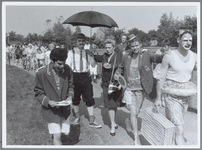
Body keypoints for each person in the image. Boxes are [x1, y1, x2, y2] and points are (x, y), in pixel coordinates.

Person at [115, 37, 164, 145]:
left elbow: (157, 58)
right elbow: (121, 66)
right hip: (128, 88)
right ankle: (136, 138)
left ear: (140, 44)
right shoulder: (126, 55)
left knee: (136, 112)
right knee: (133, 111)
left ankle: (128, 120)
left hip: (141, 89)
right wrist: (118, 72)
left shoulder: (146, 54)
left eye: (137, 45)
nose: (135, 48)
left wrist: (164, 54)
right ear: (130, 46)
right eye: (133, 46)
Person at [154, 27, 197, 145]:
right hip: (171, 96)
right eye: (185, 40)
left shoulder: (194, 56)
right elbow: (161, 78)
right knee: (179, 128)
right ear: (178, 40)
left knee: (178, 126)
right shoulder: (169, 56)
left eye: (190, 40)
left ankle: (172, 143)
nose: (188, 43)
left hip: (185, 96)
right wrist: (158, 98)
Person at [34, 48, 74, 145]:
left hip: (64, 109)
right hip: (51, 110)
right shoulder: (41, 73)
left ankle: (57, 136)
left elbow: (71, 86)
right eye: (59, 64)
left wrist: (70, 96)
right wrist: (48, 101)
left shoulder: (68, 69)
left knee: (66, 132)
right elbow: (38, 92)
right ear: (52, 61)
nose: (62, 66)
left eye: (64, 62)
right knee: (57, 135)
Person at [65, 33, 102, 128]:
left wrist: (93, 54)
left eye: (83, 41)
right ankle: (77, 117)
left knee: (89, 98)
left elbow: (93, 64)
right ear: (76, 42)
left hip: (85, 76)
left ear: (85, 42)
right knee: (75, 99)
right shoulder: (71, 52)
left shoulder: (87, 52)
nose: (81, 43)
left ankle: (91, 120)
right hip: (75, 76)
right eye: (79, 41)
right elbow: (68, 66)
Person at [91, 39, 123, 136]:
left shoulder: (118, 55)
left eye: (109, 47)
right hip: (106, 83)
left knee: (115, 103)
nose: (107, 49)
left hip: (115, 83)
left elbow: (121, 66)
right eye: (106, 47)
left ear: (113, 47)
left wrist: (112, 66)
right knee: (110, 104)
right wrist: (93, 50)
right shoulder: (104, 56)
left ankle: (113, 121)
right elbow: (95, 58)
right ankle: (112, 125)